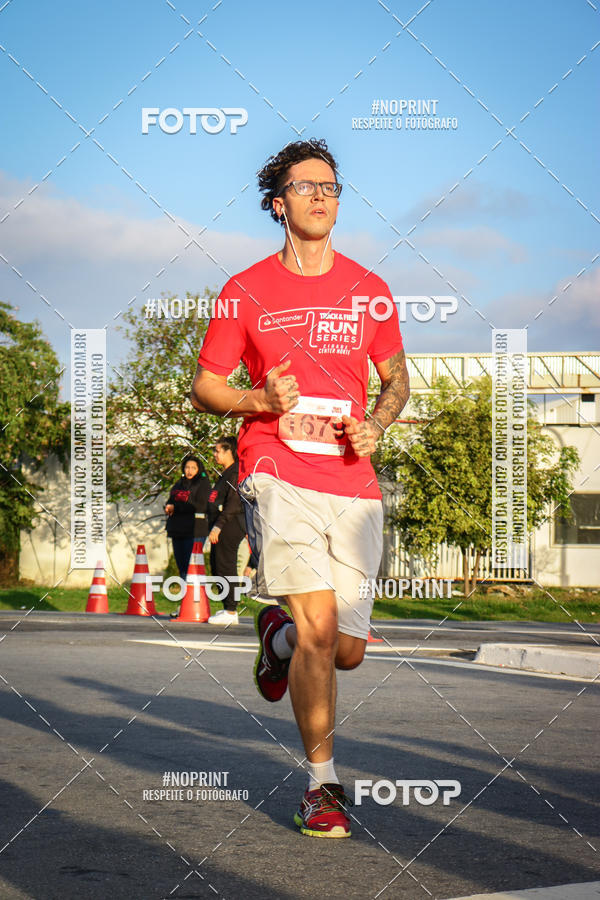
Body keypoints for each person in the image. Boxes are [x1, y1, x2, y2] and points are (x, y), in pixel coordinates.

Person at [190, 139, 409, 838]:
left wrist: (377, 421)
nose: (322, 196)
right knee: (320, 629)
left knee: (344, 648)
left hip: (353, 481)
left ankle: (276, 639)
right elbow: (206, 387)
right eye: (307, 186)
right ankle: (323, 787)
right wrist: (258, 401)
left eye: (332, 187)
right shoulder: (245, 290)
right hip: (276, 471)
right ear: (278, 203)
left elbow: (397, 379)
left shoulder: (370, 290)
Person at [206, 436, 247, 626]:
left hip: (230, 523)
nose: (215, 454)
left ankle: (231, 610)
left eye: (218, 451)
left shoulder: (236, 473)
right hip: (221, 523)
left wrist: (219, 525)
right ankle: (227, 606)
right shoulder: (225, 473)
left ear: (230, 451)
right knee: (217, 565)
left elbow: (233, 503)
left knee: (226, 565)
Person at [164, 454, 210, 580]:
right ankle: (185, 597)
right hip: (177, 529)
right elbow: (171, 500)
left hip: (194, 530)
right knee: (182, 567)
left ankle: (196, 597)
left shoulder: (203, 483)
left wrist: (177, 507)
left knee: (192, 566)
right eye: (187, 467)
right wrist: (168, 506)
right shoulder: (179, 484)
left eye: (193, 468)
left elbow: (200, 505)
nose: (189, 471)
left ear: (198, 469)